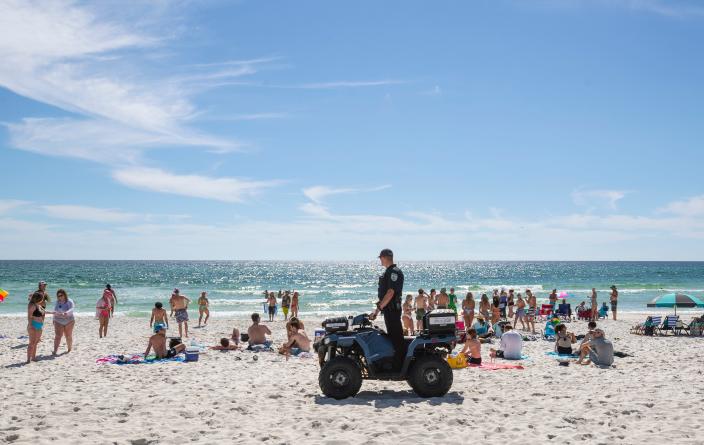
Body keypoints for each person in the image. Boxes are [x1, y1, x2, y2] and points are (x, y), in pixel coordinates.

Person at [369, 248, 405, 371]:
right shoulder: (389, 272)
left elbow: (390, 293)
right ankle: (396, 363)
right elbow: (386, 295)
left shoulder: (393, 272)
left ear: (384, 257)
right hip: (389, 310)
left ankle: (399, 367)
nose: (380, 260)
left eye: (380, 258)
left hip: (393, 311)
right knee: (393, 337)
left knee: (397, 338)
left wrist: (378, 309)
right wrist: (377, 310)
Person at [52, 289, 75, 355]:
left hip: (69, 320)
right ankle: (55, 351)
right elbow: (55, 311)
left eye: (61, 295)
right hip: (58, 320)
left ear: (64, 295)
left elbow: (72, 308)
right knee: (58, 336)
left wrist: (66, 313)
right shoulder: (57, 302)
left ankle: (69, 349)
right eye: (58, 296)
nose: (60, 297)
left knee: (68, 336)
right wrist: (53, 319)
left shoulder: (69, 301)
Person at [27, 291, 46, 363]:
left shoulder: (38, 305)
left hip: (39, 325)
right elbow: (29, 316)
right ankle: (28, 359)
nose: (43, 299)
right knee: (31, 343)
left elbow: (44, 312)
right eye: (42, 298)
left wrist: (54, 313)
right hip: (33, 325)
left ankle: (33, 357)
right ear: (38, 299)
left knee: (36, 342)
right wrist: (31, 325)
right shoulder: (32, 305)